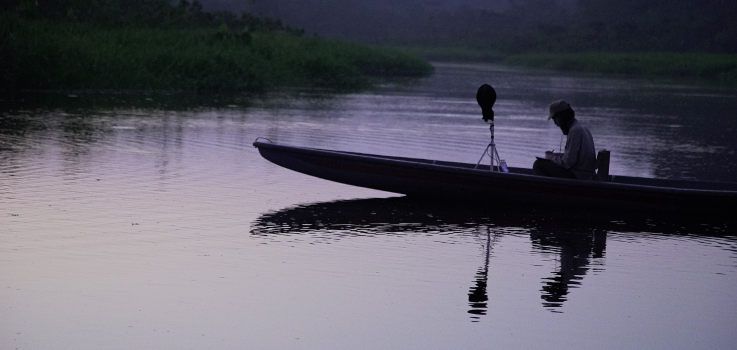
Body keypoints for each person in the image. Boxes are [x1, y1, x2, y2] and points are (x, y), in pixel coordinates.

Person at [533, 100, 596, 179]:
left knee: (538, 164)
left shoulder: (575, 131)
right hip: (585, 174)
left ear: (561, 117)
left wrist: (551, 158)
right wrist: (557, 156)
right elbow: (575, 158)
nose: (556, 124)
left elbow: (567, 163)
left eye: (555, 119)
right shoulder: (582, 128)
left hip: (578, 176)